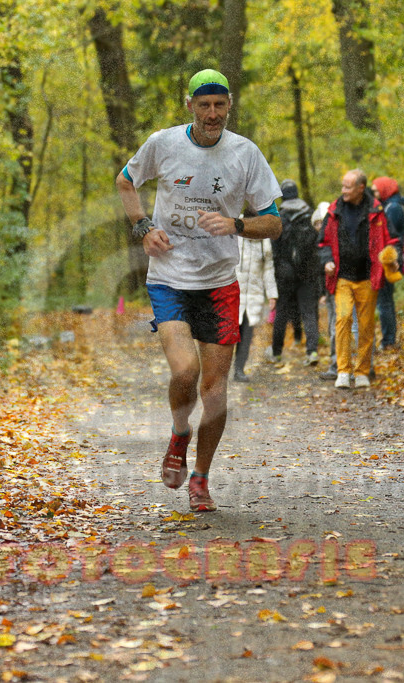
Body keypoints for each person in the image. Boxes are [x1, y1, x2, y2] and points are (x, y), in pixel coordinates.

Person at [115, 68, 282, 512]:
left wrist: (237, 224)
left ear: (230, 105)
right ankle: (178, 432)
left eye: (220, 105)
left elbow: (274, 221)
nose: (212, 114)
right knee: (184, 372)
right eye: (204, 105)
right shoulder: (163, 144)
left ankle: (201, 478)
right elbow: (125, 180)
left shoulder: (245, 154)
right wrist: (143, 226)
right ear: (188, 105)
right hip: (169, 277)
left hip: (219, 284)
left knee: (214, 391)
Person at [318, 169, 397, 390]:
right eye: (343, 186)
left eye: (348, 187)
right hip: (342, 276)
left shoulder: (376, 211)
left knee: (366, 325)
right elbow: (322, 242)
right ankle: (343, 371)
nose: (343, 190)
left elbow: (392, 240)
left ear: (360, 188)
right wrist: (326, 261)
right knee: (342, 320)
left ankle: (362, 371)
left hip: (368, 278)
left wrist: (392, 256)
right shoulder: (334, 210)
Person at [269, 179, 321, 366]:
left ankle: (276, 354)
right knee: (308, 311)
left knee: (281, 312)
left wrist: (276, 272)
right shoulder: (309, 214)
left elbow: (274, 248)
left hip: (285, 274)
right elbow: (316, 244)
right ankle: (312, 352)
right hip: (307, 272)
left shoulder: (279, 217)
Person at [233, 216, 278, 382]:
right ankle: (220, 369)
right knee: (228, 333)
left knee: (246, 333)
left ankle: (239, 369)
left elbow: (268, 268)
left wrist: (272, 294)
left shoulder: (264, 240)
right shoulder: (233, 232)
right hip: (233, 292)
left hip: (254, 294)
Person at [371, 177, 404, 351]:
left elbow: (388, 235)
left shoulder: (391, 209)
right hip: (390, 258)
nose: (374, 194)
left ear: (385, 190)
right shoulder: (392, 206)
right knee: (386, 301)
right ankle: (389, 338)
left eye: (376, 190)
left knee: (384, 301)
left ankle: (388, 340)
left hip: (388, 259)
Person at [312, 202, 337, 380]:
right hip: (328, 287)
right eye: (318, 223)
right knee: (332, 326)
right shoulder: (319, 242)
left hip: (340, 284)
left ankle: (341, 366)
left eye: (323, 222)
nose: (321, 226)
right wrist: (322, 292)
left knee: (341, 326)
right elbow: (319, 269)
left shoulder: (335, 234)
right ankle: (337, 364)